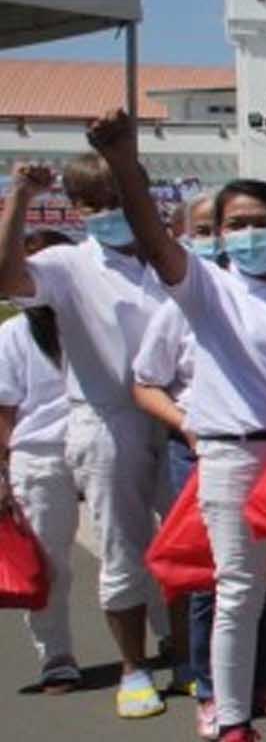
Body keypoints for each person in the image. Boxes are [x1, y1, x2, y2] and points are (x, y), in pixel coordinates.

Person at [89, 110, 266, 742]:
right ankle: (233, 719)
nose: (248, 234)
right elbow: (155, 242)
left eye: (261, 222)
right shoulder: (206, 287)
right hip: (233, 455)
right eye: (234, 224)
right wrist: (125, 162)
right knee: (239, 589)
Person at [0, 156, 171, 718]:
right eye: (95, 204)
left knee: (186, 543)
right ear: (78, 211)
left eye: (121, 199)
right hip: (107, 419)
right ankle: (131, 667)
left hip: (177, 418)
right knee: (121, 547)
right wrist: (20, 199)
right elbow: (7, 278)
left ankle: (187, 652)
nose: (111, 213)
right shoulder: (69, 263)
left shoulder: (171, 258)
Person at [133, 195, 266, 741]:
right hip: (201, 447)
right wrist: (187, 425)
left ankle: (260, 678)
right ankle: (212, 689)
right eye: (206, 230)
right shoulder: (181, 305)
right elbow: (145, 384)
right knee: (212, 578)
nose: (243, 238)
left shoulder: (265, 301)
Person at [0, 228, 81, 695]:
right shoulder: (12, 334)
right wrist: (5, 472)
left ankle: (169, 637)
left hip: (104, 443)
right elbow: (4, 411)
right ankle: (56, 654)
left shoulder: (94, 321)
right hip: (41, 455)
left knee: (132, 550)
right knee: (51, 561)